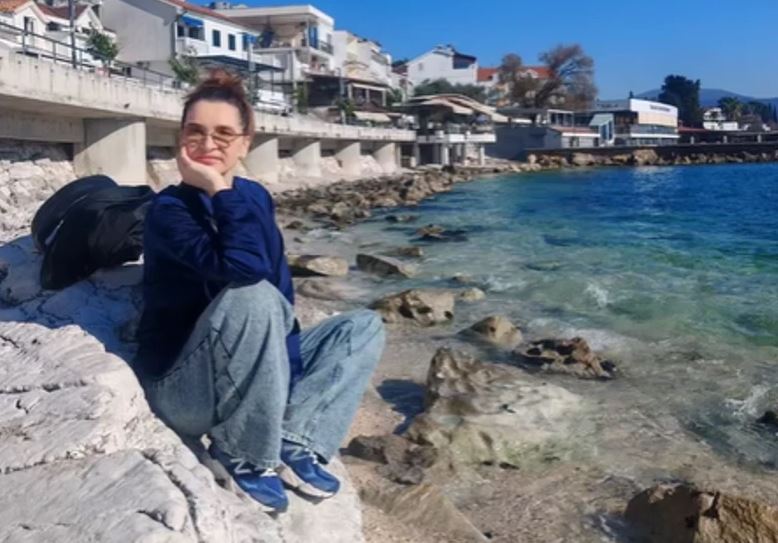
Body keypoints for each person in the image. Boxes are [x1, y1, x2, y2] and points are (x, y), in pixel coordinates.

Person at [135, 70, 385, 513]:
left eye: (223, 134)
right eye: (195, 131)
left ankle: (295, 436)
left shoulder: (253, 196)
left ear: (245, 144)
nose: (208, 144)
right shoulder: (168, 210)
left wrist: (284, 378)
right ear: (180, 139)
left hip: (245, 362)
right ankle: (242, 452)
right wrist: (217, 187)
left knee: (363, 326)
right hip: (184, 387)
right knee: (252, 294)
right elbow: (245, 270)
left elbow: (280, 287)